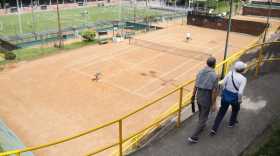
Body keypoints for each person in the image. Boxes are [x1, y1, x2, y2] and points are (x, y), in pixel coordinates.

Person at [210, 61, 247, 136]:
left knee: (221, 112)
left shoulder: (230, 73)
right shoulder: (243, 79)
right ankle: (231, 123)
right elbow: (240, 92)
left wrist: (220, 87)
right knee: (235, 110)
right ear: (243, 70)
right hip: (235, 98)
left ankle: (214, 129)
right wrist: (239, 100)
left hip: (226, 95)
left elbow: (222, 82)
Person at [188, 57, 219, 143]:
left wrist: (193, 96)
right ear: (214, 64)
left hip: (199, 96)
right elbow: (214, 91)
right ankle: (194, 137)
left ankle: (201, 126)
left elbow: (195, 86)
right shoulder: (214, 76)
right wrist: (213, 104)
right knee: (204, 117)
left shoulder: (200, 72)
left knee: (201, 113)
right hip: (206, 98)